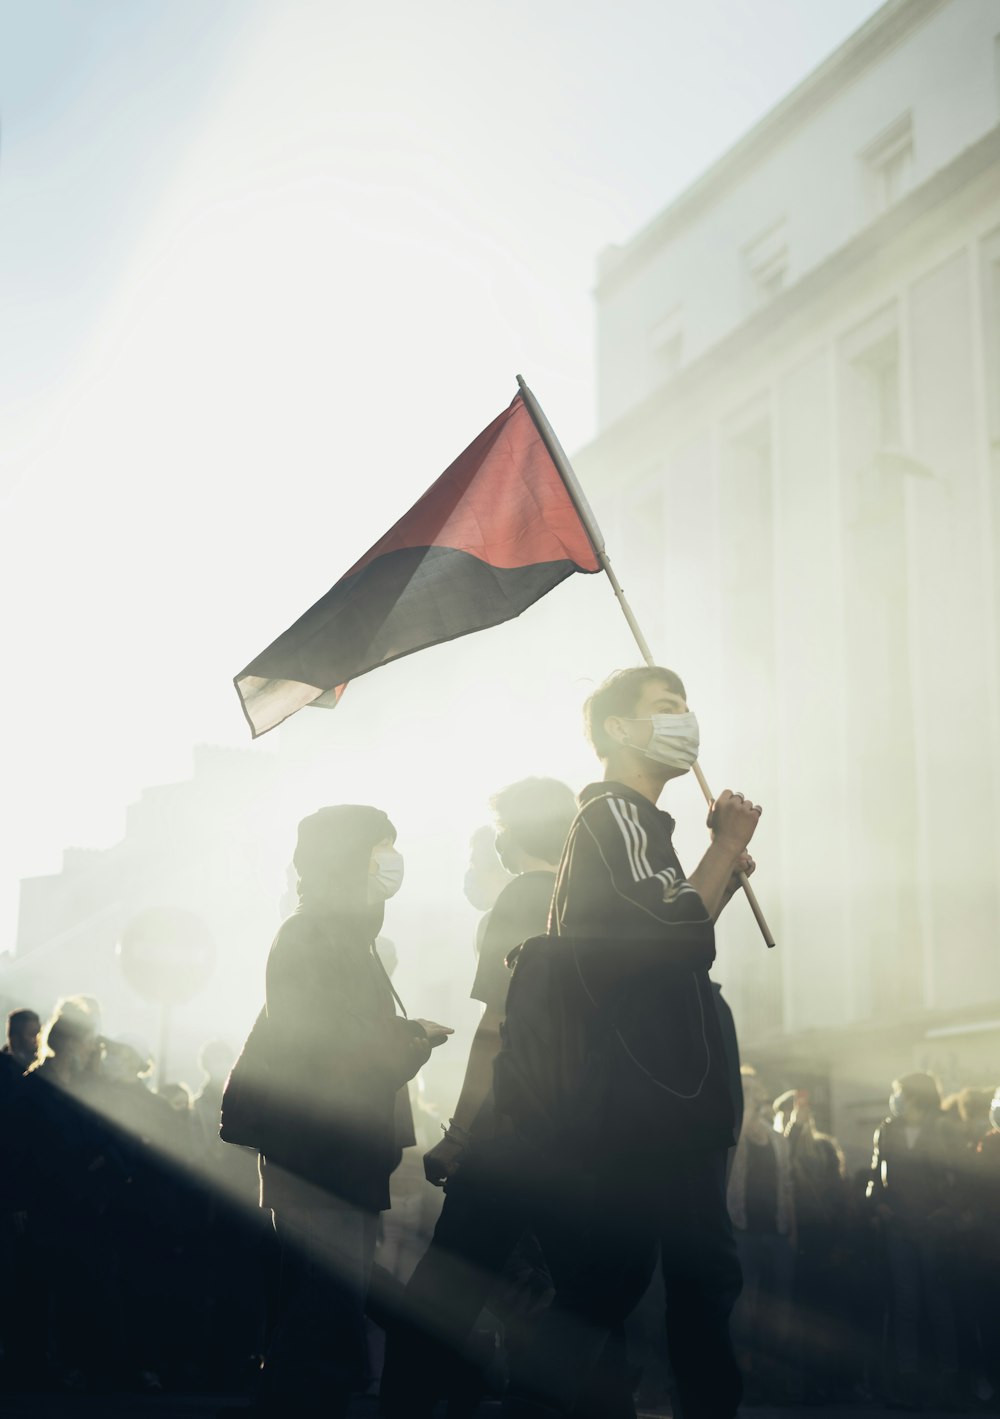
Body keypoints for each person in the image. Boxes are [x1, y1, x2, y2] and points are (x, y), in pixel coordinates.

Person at [498, 665, 761, 1419]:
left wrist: (716, 873)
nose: (685, 719)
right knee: (696, 1280)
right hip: (657, 1106)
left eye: (686, 705)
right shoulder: (615, 815)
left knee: (607, 1282)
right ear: (618, 730)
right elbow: (671, 935)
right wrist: (726, 847)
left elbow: (658, 937)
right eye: (665, 707)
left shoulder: (637, 829)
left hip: (647, 1104)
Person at [242, 804, 452, 1416]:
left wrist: (404, 1036)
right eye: (377, 847)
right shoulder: (312, 935)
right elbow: (327, 1045)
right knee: (323, 1304)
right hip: (319, 1151)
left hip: (337, 1151)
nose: (389, 861)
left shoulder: (341, 936)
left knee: (324, 1299)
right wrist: (408, 1044)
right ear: (341, 859)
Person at [380, 777, 576, 1418]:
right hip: (577, 1130)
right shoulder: (586, 901)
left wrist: (460, 1133)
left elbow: (496, 1029)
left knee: (443, 1292)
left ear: (508, 838)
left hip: (510, 1129)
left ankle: (404, 1406)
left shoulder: (521, 897)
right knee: (572, 1302)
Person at [867, 1071, 960, 1410]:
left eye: (900, 1093)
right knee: (905, 1302)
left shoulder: (942, 1128)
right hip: (899, 1226)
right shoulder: (888, 1128)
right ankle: (908, 1378)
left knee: (938, 1300)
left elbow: (959, 1175)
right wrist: (878, 1204)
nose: (897, 1100)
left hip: (932, 1225)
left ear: (915, 1096)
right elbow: (876, 1172)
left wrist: (946, 1211)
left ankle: (947, 1377)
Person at [727, 1069, 795, 1402]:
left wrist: (791, 1229)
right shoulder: (733, 1138)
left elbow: (787, 1187)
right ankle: (746, 1370)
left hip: (776, 1232)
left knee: (780, 1306)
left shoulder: (778, 1140)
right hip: (745, 1231)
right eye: (749, 1094)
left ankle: (773, 1372)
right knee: (745, 1306)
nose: (757, 1099)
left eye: (758, 1093)